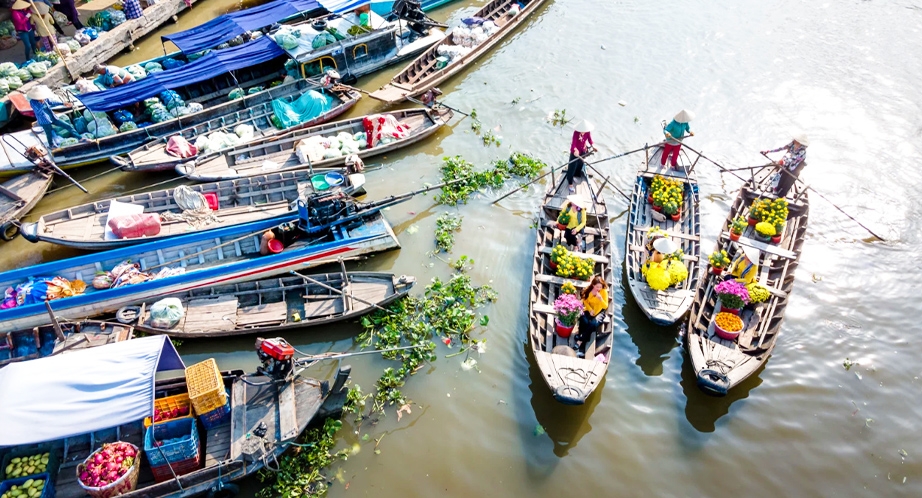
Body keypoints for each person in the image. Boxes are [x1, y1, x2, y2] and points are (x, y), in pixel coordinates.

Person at [574, 275, 609, 357]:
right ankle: (581, 334)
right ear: (593, 285)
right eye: (597, 287)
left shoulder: (603, 292)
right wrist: (589, 310)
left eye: (600, 287)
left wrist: (600, 299)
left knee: (593, 324)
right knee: (584, 319)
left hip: (599, 311)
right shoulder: (588, 290)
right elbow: (585, 301)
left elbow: (605, 306)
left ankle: (581, 341)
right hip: (590, 310)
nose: (599, 289)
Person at [566, 120, 596, 193]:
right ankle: (570, 182)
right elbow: (573, 144)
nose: (583, 132)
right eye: (582, 131)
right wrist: (575, 150)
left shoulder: (587, 132)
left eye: (584, 131)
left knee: (580, 164)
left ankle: (576, 176)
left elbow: (590, 140)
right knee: (572, 167)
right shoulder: (576, 133)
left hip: (583, 151)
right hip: (575, 152)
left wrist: (593, 146)